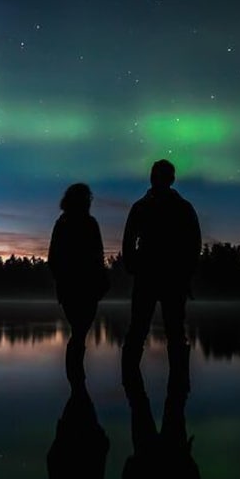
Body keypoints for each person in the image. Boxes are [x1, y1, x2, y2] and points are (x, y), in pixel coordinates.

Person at [121, 159, 201, 391]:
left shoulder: (177, 207)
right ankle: (137, 384)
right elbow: (129, 240)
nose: (158, 180)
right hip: (156, 276)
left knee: (166, 331)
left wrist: (186, 272)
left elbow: (193, 243)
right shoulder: (151, 207)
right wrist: (133, 265)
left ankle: (169, 388)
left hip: (169, 277)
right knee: (147, 330)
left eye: (160, 176)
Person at [48, 183, 110, 389]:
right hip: (81, 288)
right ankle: (76, 379)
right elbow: (97, 257)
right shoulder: (83, 224)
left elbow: (53, 259)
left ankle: (76, 381)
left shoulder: (63, 223)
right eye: (88, 199)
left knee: (79, 331)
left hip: (76, 288)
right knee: (80, 331)